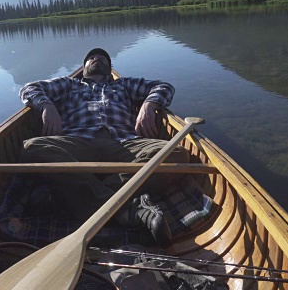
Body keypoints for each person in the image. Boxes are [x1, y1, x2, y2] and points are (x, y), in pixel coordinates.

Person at [18, 48, 189, 245]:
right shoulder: (68, 84)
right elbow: (29, 88)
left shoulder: (123, 85)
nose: (96, 58)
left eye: (102, 58)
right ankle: (128, 212)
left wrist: (148, 104)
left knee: (177, 153)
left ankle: (69, 195)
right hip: (77, 141)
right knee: (32, 148)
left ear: (110, 68)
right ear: (83, 68)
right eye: (91, 57)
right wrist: (47, 106)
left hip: (124, 142)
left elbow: (164, 86)